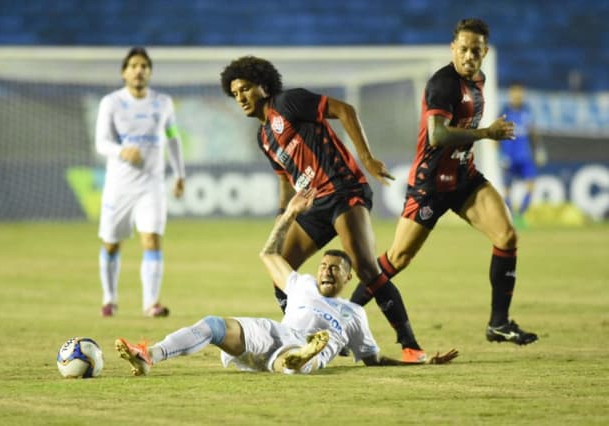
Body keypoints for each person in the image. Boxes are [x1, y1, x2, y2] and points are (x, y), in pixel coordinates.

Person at [115, 189, 458, 375]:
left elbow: (373, 360)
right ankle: (150, 355)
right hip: (273, 333)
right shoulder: (302, 283)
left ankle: (297, 359)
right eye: (324, 264)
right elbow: (267, 254)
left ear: (348, 277)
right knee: (213, 325)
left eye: (334, 268)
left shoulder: (355, 315)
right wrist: (290, 215)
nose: (325, 270)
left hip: (304, 350)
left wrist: (419, 362)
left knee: (294, 357)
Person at [219, 56, 427, 362]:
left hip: (343, 189)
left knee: (366, 268)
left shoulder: (289, 102)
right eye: (235, 94)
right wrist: (284, 217)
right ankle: (312, 333)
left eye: (246, 89)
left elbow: (345, 110)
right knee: (282, 270)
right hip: (313, 206)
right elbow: (285, 181)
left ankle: (410, 345)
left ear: (263, 85)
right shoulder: (264, 138)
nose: (241, 98)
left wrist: (367, 158)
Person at [365, 18, 538, 345]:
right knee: (398, 258)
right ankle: (343, 313)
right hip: (431, 184)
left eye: (476, 50)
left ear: (485, 52)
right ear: (452, 49)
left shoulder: (479, 80)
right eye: (463, 49)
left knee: (506, 235)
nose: (469, 56)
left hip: (463, 176)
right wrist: (487, 133)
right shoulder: (443, 84)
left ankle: (498, 323)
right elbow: (437, 134)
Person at [95, 47, 186, 317]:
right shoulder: (111, 103)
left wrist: (180, 173)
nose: (139, 70)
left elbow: (172, 138)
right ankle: (109, 298)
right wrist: (122, 151)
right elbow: (101, 142)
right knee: (111, 243)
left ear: (150, 72)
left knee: (152, 240)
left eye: (144, 66)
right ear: (124, 73)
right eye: (133, 65)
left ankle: (151, 303)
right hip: (119, 186)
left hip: (152, 186)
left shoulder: (163, 103)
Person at [498, 83, 546, 226]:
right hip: (509, 157)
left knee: (531, 185)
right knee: (507, 188)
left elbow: (533, 131)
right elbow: (495, 134)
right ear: (510, 95)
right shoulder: (504, 112)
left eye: (520, 94)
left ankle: (522, 214)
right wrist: (499, 154)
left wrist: (539, 150)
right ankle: (511, 216)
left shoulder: (527, 111)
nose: (517, 97)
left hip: (525, 156)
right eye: (515, 94)